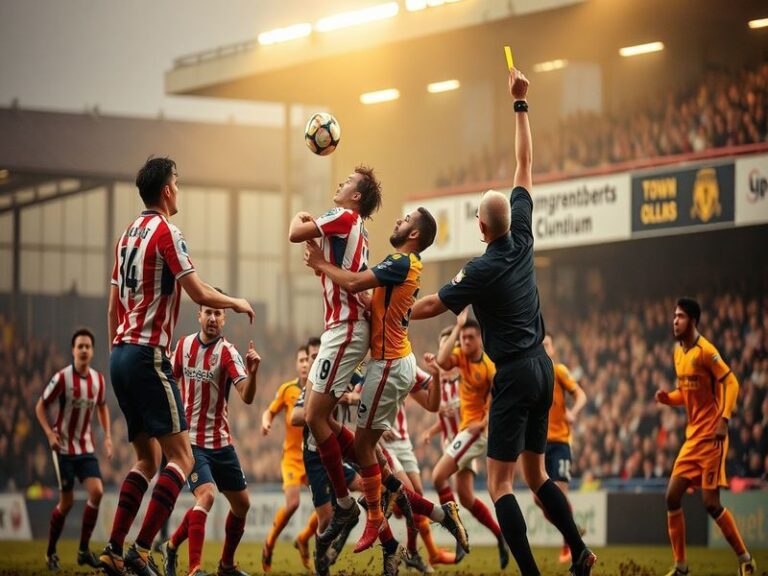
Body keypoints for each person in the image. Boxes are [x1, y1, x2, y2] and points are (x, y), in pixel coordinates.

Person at [411, 69, 595, 576]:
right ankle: (579, 549)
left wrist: (396, 308)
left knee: (501, 486)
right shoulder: (523, 237)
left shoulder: (482, 268)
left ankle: (532, 574)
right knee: (537, 477)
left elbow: (432, 307)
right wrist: (520, 104)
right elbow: (525, 162)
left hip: (513, 374)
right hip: (543, 367)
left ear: (480, 227)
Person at [101, 156, 254, 576]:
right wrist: (234, 302)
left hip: (119, 354)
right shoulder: (167, 231)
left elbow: (113, 305)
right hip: (149, 353)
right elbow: (196, 290)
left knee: (147, 460)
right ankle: (141, 550)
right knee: (182, 458)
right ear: (168, 190)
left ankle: (114, 548)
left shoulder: (126, 236)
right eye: (178, 184)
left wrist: (119, 348)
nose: (179, 191)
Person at [305, 207, 469, 576]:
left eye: (406, 219)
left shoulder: (400, 261)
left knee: (363, 449)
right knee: (374, 459)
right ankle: (430, 520)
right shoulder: (403, 268)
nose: (398, 220)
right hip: (394, 363)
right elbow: (370, 303)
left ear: (415, 235)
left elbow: (351, 285)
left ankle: (371, 518)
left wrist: (320, 263)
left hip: (389, 364)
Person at [288, 166, 382, 542]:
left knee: (313, 416)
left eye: (347, 182)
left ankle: (344, 503)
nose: (341, 183)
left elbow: (295, 233)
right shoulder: (355, 228)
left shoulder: (343, 216)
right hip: (341, 329)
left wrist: (300, 216)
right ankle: (376, 474)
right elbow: (328, 272)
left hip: (344, 329)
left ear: (355, 196)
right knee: (317, 415)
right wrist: (321, 264)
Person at [656, 297, 756, 576]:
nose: (675, 321)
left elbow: (731, 381)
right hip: (692, 440)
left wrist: (724, 420)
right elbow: (685, 394)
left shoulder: (705, 351)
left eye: (680, 317)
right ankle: (681, 567)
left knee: (711, 504)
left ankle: (745, 558)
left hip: (711, 438)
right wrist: (668, 398)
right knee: (672, 497)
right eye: (674, 316)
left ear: (693, 320)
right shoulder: (678, 353)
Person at [161, 296, 260, 576]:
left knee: (242, 505)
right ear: (199, 315)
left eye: (218, 313)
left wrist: (253, 374)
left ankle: (223, 564)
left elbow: (247, 396)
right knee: (206, 496)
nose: (213, 318)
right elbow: (168, 381)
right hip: (191, 443)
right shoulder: (182, 347)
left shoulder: (228, 352)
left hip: (221, 442)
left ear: (224, 319)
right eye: (208, 313)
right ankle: (194, 569)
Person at [434, 311, 509, 569]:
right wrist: (457, 327)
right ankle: (500, 537)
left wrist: (483, 423)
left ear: (480, 338)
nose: (465, 341)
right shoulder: (462, 358)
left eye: (469, 337)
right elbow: (442, 361)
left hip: (473, 432)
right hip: (465, 432)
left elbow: (497, 400)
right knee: (465, 498)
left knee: (437, 476)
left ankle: (457, 531)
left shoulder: (489, 368)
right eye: (463, 337)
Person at [35, 328, 112, 571]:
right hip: (64, 449)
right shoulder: (62, 378)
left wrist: (107, 436)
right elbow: (40, 405)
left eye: (88, 346)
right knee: (66, 503)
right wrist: (49, 433)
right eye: (80, 346)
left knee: (97, 492)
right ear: (73, 350)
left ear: (92, 351)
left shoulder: (98, 380)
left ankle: (82, 550)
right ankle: (50, 553)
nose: (84, 350)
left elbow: (102, 407)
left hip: (85, 447)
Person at [260, 345, 311, 572]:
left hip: (313, 456)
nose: (304, 364)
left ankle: (304, 538)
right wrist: (266, 421)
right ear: (296, 364)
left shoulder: (320, 390)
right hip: (291, 457)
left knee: (331, 504)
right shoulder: (287, 390)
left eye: (307, 360)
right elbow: (269, 411)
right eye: (300, 360)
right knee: (293, 503)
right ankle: (269, 543)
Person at [541, 334, 587, 564]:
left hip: (560, 443)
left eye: (547, 344)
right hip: (538, 445)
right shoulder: (535, 375)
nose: (544, 348)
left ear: (553, 348)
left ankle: (568, 543)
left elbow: (581, 395)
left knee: (558, 494)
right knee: (541, 503)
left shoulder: (559, 371)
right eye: (541, 345)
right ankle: (573, 530)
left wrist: (573, 412)